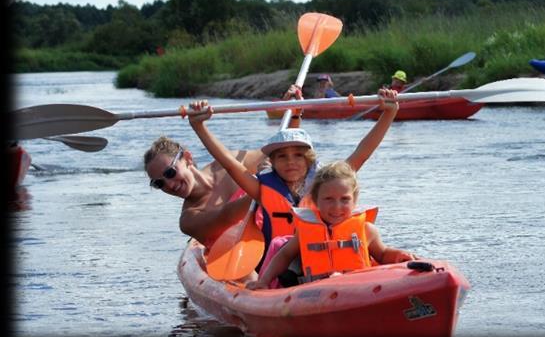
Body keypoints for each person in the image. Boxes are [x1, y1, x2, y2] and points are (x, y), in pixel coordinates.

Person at [187, 88, 399, 272]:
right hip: (282, 269)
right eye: (282, 156)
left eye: (298, 155)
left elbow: (362, 152)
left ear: (308, 159)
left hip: (332, 266)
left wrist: (389, 112)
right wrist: (199, 127)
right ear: (272, 161)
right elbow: (230, 164)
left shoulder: (326, 182)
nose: (290, 162)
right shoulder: (262, 189)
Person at [143, 86, 304, 252]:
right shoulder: (188, 219)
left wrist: (293, 113)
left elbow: (282, 153)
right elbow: (227, 216)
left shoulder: (228, 163)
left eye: (170, 172)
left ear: (188, 159)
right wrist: (265, 182)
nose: (168, 184)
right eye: (159, 184)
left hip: (283, 235)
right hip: (249, 256)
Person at [246, 161, 416, 289]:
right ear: (315, 201)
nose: (337, 207)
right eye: (328, 199)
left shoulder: (366, 230)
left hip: (358, 289)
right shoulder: (305, 231)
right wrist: (263, 282)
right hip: (315, 293)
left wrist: (398, 255)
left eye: (345, 199)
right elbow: (284, 256)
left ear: (354, 200)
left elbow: (383, 254)